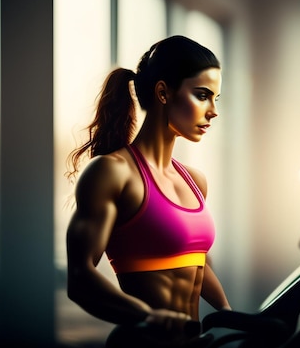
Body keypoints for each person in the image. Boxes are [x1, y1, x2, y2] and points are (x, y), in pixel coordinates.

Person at [65, 35, 231, 347]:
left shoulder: (195, 180)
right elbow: (80, 278)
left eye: (215, 99)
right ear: (163, 92)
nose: (213, 111)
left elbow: (197, 261)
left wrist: (229, 315)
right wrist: (146, 316)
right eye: (202, 95)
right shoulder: (111, 173)